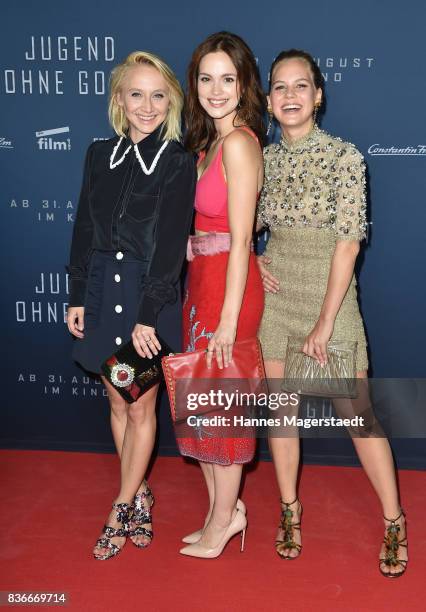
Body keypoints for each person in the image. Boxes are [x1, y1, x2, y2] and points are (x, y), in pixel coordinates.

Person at [257, 49, 408, 577]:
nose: (290, 96)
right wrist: (254, 264)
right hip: (277, 303)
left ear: (318, 95)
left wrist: (325, 322)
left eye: (301, 86)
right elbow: (236, 229)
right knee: (281, 414)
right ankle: (289, 512)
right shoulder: (263, 160)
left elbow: (348, 244)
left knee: (358, 418)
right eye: (280, 86)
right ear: (269, 98)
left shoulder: (345, 157)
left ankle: (394, 519)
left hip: (332, 299)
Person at [67, 51, 196, 560]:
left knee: (140, 404)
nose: (147, 106)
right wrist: (77, 295)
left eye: (158, 95)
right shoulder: (99, 154)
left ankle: (120, 506)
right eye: (136, 94)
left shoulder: (178, 160)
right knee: (116, 401)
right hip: (100, 291)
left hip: (147, 297)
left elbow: (168, 247)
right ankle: (140, 494)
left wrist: (149, 313)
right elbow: (82, 227)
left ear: (171, 102)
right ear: (119, 99)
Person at [176, 32, 265, 558]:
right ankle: (222, 513)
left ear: (243, 84)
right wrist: (192, 241)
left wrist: (229, 319)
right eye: (206, 78)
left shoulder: (238, 142)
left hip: (227, 293)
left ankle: (222, 523)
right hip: (202, 285)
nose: (215, 89)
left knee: (221, 407)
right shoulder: (207, 144)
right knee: (202, 403)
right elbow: (212, 225)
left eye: (227, 79)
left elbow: (242, 242)